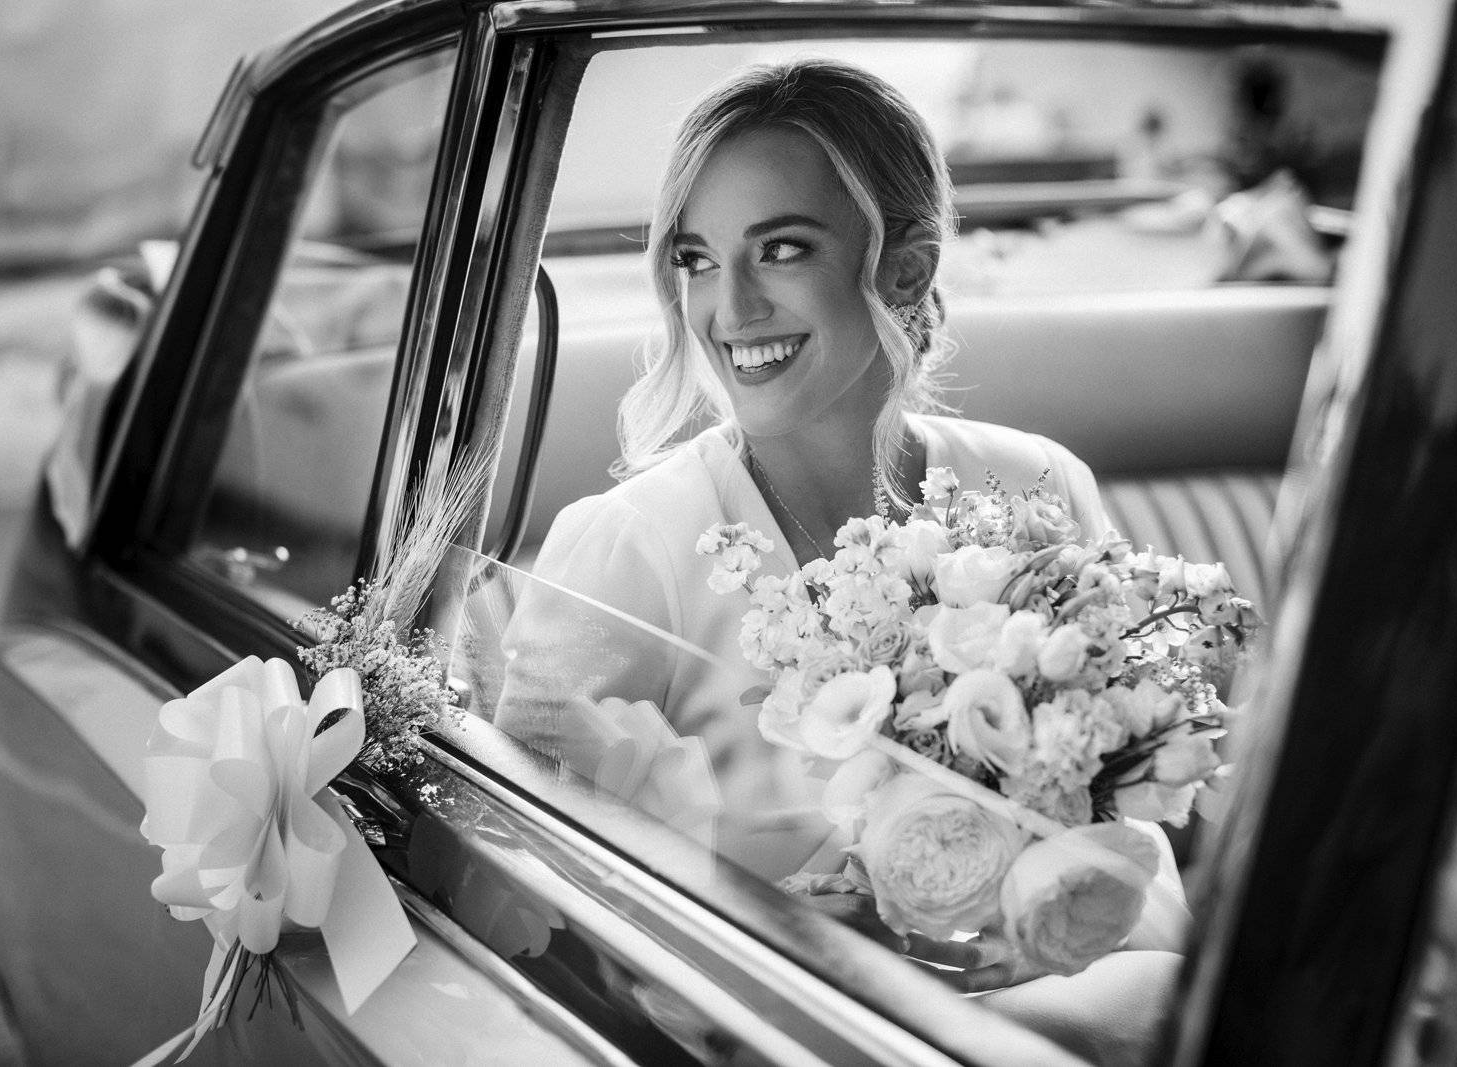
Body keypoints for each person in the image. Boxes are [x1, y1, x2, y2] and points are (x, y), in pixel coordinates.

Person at [493, 57, 1183, 1054]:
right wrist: (776, 933)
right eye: (694, 257)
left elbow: (1130, 807)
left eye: (778, 248)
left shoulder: (1038, 488)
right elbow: (523, 888)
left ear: (904, 267)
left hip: (1081, 980)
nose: (727, 307)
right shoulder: (632, 545)